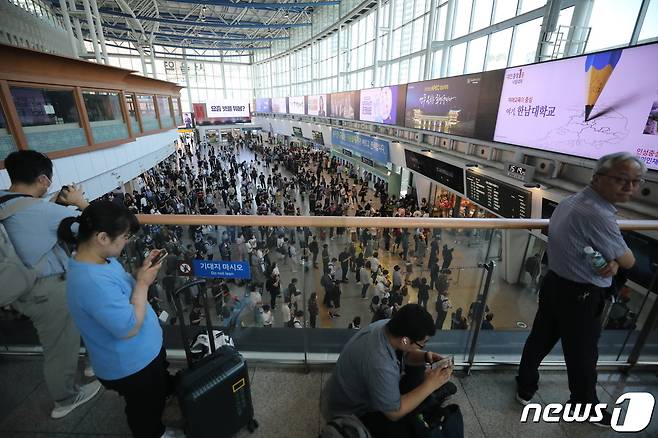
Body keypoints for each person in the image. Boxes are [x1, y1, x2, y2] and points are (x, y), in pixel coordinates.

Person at [516, 152, 645, 427]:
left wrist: (610, 262)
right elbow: (629, 261)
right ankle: (584, 407)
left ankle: (525, 387)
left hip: (554, 284)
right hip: (580, 296)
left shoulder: (572, 201)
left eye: (636, 182)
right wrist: (615, 262)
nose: (630, 188)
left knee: (539, 339)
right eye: (622, 180)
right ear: (597, 178)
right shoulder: (598, 213)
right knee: (583, 356)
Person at [58, 201, 182, 438]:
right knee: (144, 409)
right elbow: (127, 328)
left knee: (155, 393)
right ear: (103, 237)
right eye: (124, 236)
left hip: (143, 355)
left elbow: (122, 288)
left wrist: (139, 274)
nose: (126, 242)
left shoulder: (99, 260)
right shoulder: (90, 281)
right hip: (131, 364)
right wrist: (143, 283)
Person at [0, 150, 100, 420]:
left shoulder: (4, 200)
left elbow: (28, 224)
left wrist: (52, 204)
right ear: (43, 179)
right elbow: (102, 229)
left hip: (17, 285)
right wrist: (81, 202)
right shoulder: (45, 211)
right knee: (59, 348)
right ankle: (65, 398)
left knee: (80, 322)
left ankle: (93, 364)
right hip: (48, 291)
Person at [322, 304, 454, 438]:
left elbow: (404, 353)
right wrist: (430, 385)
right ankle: (426, 403)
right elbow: (394, 413)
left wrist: (425, 356)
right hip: (353, 411)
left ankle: (425, 400)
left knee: (418, 368)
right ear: (405, 340)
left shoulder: (387, 327)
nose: (423, 346)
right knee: (407, 427)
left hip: (352, 390)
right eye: (422, 343)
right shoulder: (380, 363)